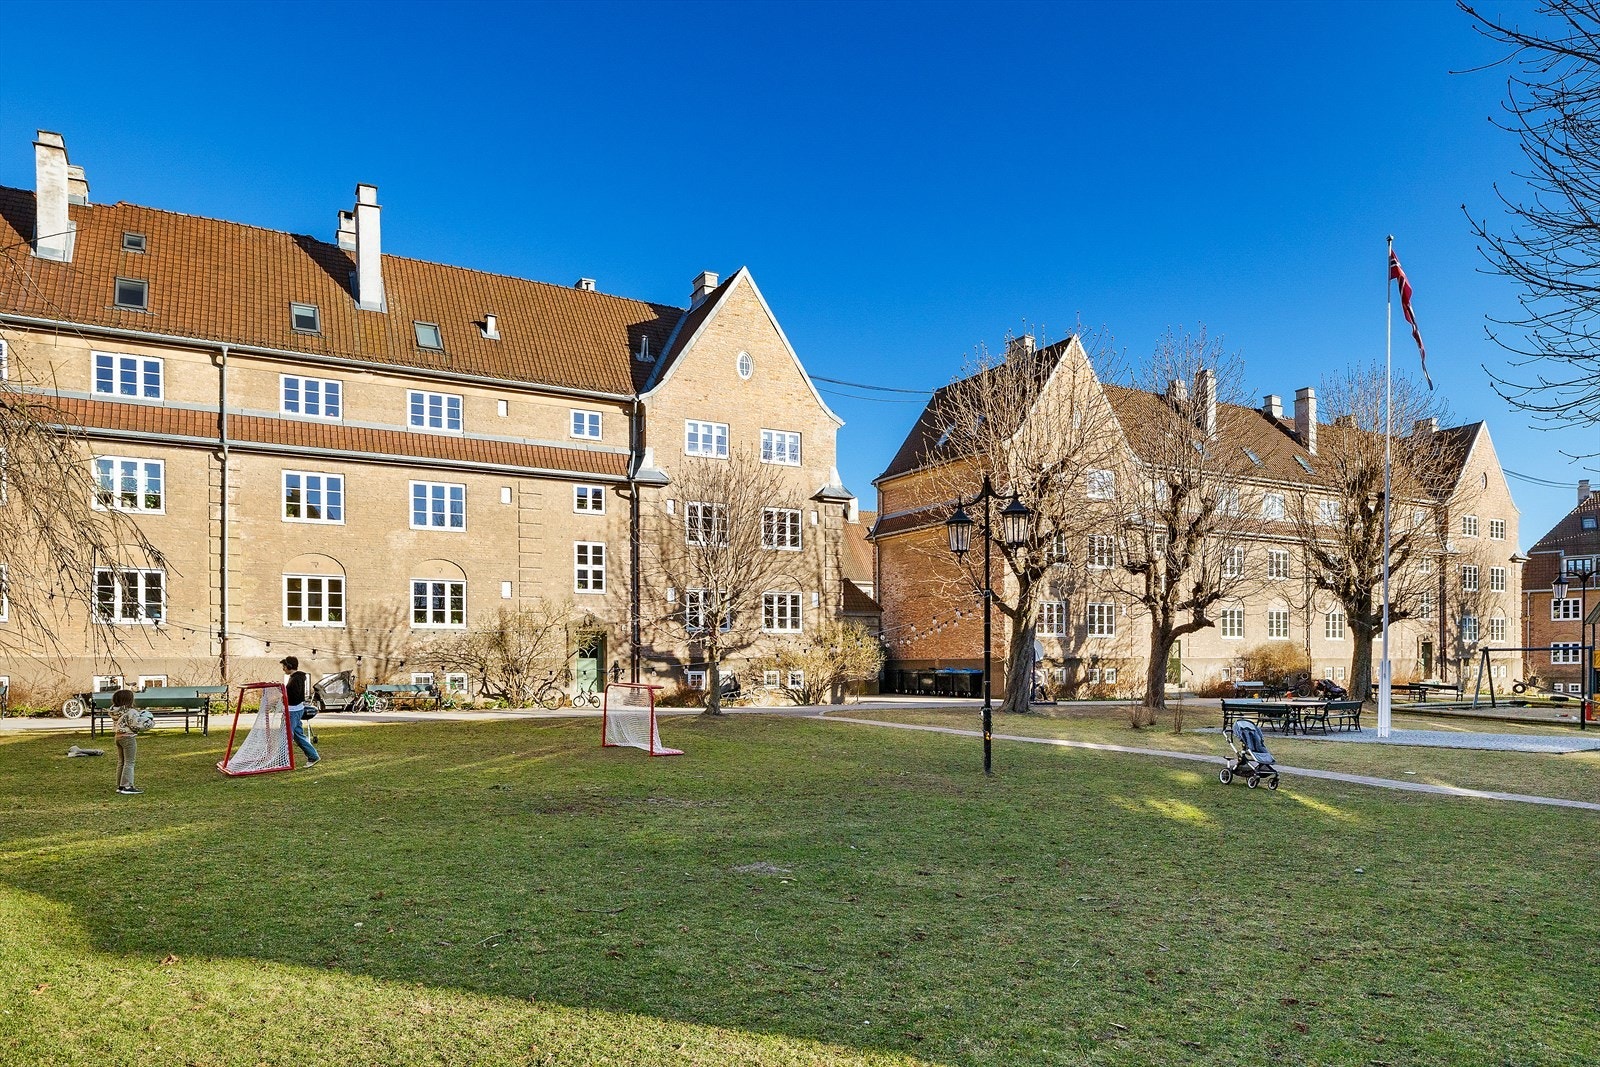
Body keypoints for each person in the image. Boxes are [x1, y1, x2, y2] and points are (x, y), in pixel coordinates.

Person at [281, 656, 320, 766]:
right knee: (298, 735)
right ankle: (313, 756)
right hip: (294, 710)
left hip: (293, 711)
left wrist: (284, 695)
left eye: (284, 666)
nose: (283, 668)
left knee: (286, 735)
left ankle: (283, 761)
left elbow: (295, 696)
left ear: (289, 666)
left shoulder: (296, 679)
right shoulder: (294, 677)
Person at [111, 688, 144, 795]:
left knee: (121, 762)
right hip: (128, 738)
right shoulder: (131, 712)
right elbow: (135, 725)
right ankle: (127, 786)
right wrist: (148, 722)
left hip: (118, 737)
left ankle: (120, 785)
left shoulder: (116, 712)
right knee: (130, 762)